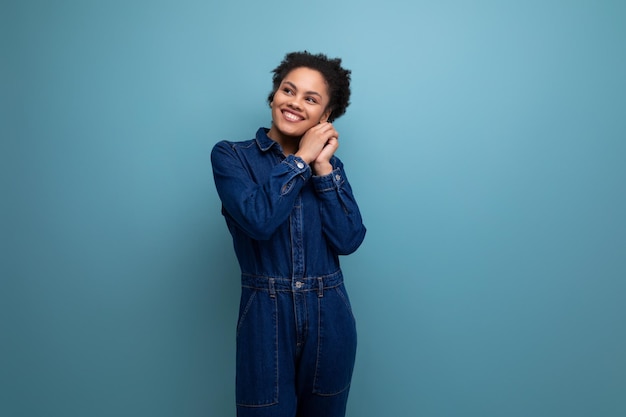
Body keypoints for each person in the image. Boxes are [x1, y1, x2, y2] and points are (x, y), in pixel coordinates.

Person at [211, 51, 366, 417]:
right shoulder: (232, 157)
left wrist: (323, 166)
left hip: (331, 315)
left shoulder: (329, 166)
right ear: (274, 95)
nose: (294, 103)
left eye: (311, 99)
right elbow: (259, 221)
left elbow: (349, 240)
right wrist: (300, 160)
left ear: (325, 116)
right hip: (265, 317)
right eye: (288, 90)